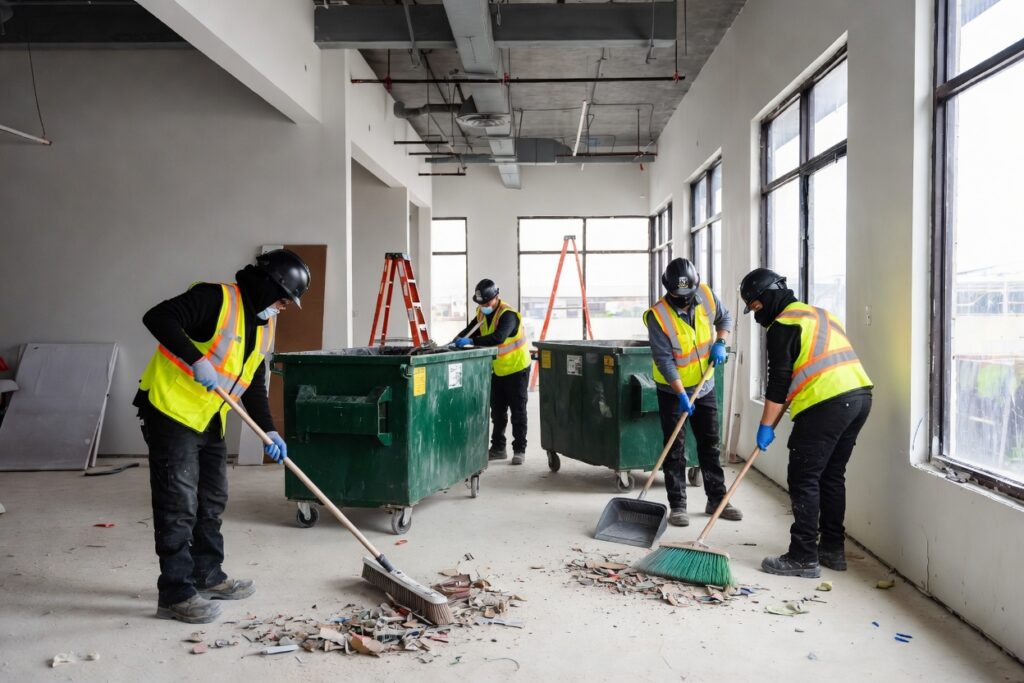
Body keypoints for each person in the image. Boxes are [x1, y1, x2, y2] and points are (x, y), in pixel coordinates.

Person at [134, 249, 311, 623]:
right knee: (178, 504)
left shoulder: (260, 325)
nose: (281, 307)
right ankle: (175, 593)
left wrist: (270, 432)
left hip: (208, 416)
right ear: (267, 285)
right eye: (282, 299)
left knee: (212, 498)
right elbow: (158, 317)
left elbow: (253, 384)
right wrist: (194, 359)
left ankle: (207, 575)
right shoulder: (216, 299)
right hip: (170, 411)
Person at [739, 267, 872, 578]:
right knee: (830, 476)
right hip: (860, 397)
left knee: (804, 478)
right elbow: (809, 368)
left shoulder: (783, 325)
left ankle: (802, 556)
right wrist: (773, 420)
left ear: (769, 295)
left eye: (757, 306)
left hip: (827, 403)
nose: (757, 314)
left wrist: (766, 425)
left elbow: (779, 382)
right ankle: (832, 550)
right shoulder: (821, 315)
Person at [645, 258, 740, 527]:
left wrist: (720, 341)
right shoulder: (658, 315)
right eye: (678, 296)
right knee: (675, 449)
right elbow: (664, 361)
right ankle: (678, 505)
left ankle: (717, 499)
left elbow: (725, 318)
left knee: (710, 443)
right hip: (673, 390)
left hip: (705, 384)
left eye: (688, 295)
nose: (685, 300)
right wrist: (681, 394)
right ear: (668, 290)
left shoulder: (706, 295)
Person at [453, 278, 532, 465]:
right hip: (497, 369)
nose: (484, 306)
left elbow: (498, 337)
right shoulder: (482, 312)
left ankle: (519, 449)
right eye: (481, 303)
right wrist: (457, 339)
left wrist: (471, 342)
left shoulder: (508, 315)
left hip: (516, 368)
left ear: (496, 298)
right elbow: (471, 330)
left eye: (487, 303)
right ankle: (498, 448)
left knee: (518, 411)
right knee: (497, 411)